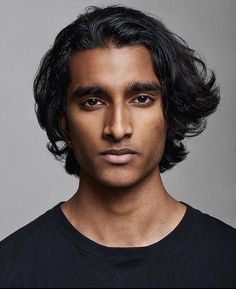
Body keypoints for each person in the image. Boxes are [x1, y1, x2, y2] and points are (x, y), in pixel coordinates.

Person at [0, 4, 235, 288]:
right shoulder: (11, 268)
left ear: (170, 115)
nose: (117, 128)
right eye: (93, 102)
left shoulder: (226, 259)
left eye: (141, 99)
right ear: (64, 125)